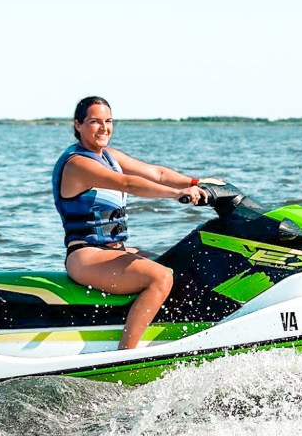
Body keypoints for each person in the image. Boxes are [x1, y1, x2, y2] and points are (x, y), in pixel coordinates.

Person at [53, 96, 208, 350]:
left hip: (115, 251)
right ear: (78, 125)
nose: (104, 128)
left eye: (108, 121)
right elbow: (127, 184)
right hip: (86, 255)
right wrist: (175, 194)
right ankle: (126, 355)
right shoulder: (77, 164)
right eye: (94, 122)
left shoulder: (109, 156)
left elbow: (156, 173)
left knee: (179, 266)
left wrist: (195, 183)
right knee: (159, 277)